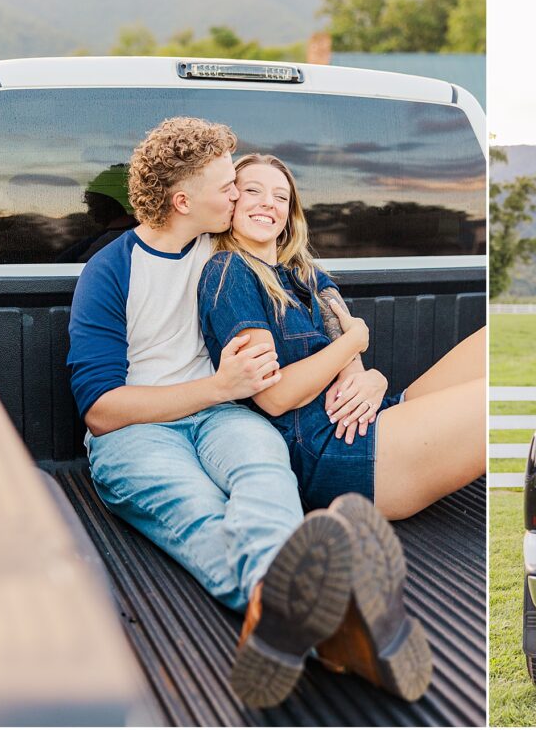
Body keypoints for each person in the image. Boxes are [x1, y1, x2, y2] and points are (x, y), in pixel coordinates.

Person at [67, 118, 430, 709]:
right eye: (227, 185)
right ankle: (323, 619)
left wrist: (365, 366)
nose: (240, 195)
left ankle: (292, 614)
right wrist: (217, 386)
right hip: (138, 431)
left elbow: (326, 299)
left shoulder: (230, 247)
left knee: (265, 479)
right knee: (199, 513)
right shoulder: (111, 271)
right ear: (184, 201)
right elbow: (102, 411)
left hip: (223, 416)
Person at [197, 153, 486, 522]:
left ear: (289, 213)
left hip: (364, 420)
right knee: (489, 397)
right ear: (232, 203)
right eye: (253, 191)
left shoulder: (309, 275)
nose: (268, 202)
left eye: (281, 197)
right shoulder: (228, 272)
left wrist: (373, 379)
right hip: (328, 452)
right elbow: (274, 396)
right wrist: (354, 339)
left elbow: (354, 374)